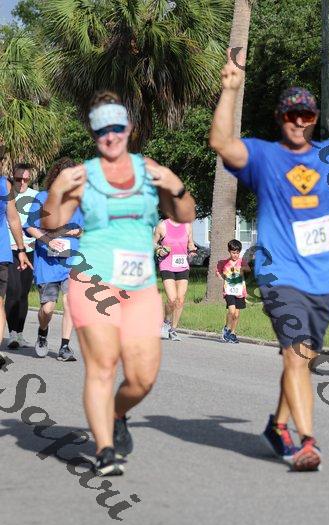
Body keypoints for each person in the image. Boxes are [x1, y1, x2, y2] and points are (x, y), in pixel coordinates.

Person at [209, 49, 329, 471]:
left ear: (313, 119)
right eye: (291, 115)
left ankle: (277, 426)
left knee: (303, 358)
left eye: (306, 115)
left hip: (325, 277)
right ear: (281, 118)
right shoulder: (263, 156)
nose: (298, 121)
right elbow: (221, 143)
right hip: (280, 274)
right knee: (296, 354)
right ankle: (306, 442)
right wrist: (230, 90)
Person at [42, 91, 195, 476]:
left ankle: (115, 414)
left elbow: (185, 213)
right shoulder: (82, 176)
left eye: (116, 127)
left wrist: (174, 184)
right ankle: (105, 450)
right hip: (93, 280)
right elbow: (50, 221)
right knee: (103, 365)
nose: (109, 136)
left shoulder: (150, 170)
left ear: (128, 128)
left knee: (142, 378)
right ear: (94, 134)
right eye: (101, 129)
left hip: (140, 287)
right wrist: (58, 190)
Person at [25, 158, 84, 361]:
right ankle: (42, 332)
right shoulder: (43, 197)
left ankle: (64, 346)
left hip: (71, 259)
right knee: (48, 308)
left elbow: (84, 228)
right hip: (47, 261)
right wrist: (48, 239)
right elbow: (30, 226)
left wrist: (79, 231)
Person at [0, 163, 33, 367]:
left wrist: (22, 249)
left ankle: (15, 335)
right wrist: (20, 249)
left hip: (8, 252)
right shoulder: (4, 186)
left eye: (25, 179)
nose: (22, 182)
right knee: (2, 300)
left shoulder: (6, 184)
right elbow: (12, 219)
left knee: (18, 294)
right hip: (4, 251)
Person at [6, 163, 36, 349]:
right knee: (13, 290)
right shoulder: (7, 195)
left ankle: (20, 333)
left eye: (26, 179)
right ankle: (11, 334)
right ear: (12, 178)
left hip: (30, 249)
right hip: (10, 249)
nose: (22, 183)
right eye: (18, 179)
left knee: (24, 293)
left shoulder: (36, 196)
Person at [154, 217, 197, 340]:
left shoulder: (187, 226)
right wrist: (159, 250)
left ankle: (173, 329)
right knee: (172, 299)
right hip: (167, 265)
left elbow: (190, 243)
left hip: (182, 265)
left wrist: (192, 251)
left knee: (180, 299)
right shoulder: (162, 225)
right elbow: (153, 243)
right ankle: (166, 321)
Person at [216, 239, 250, 343]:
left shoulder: (242, 262)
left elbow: (248, 270)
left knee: (236, 314)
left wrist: (243, 269)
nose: (235, 255)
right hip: (229, 291)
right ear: (229, 251)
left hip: (240, 291)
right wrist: (222, 276)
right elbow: (219, 273)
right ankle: (227, 328)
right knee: (231, 311)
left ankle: (233, 333)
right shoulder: (224, 263)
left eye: (237, 253)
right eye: (233, 252)